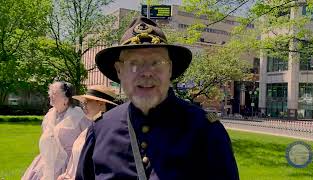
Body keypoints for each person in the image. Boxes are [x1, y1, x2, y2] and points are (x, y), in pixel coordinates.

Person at [76, 16, 239, 180]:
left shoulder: (206, 131)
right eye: (134, 63)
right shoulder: (100, 130)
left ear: (170, 69)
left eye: (157, 62)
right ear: (119, 71)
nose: (146, 72)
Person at [22, 81, 90, 180]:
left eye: (54, 93)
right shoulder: (49, 115)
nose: (50, 96)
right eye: (50, 93)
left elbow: (87, 141)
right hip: (46, 161)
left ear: (66, 99)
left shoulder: (79, 116)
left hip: (68, 165)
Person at [57, 85, 118, 180]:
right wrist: (66, 175)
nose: (83, 106)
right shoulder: (90, 128)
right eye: (83, 103)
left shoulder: (109, 132)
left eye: (86, 102)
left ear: (101, 103)